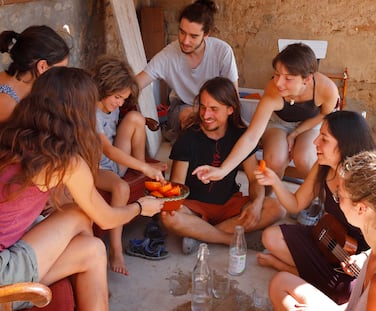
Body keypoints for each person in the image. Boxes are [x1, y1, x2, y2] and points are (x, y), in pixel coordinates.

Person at [0, 67, 163, 311]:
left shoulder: (12, 135)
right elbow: (106, 218)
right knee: (87, 231)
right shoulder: (64, 161)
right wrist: (140, 207)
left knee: (91, 243)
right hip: (4, 274)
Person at [253, 110, 376, 304]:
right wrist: (275, 181)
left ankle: (287, 268)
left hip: (354, 258)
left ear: (344, 144)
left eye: (324, 139)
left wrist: (364, 258)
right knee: (270, 236)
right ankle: (309, 275)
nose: (315, 143)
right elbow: (295, 204)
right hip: (326, 237)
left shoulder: (368, 180)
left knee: (345, 293)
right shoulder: (323, 166)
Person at [269, 150, 376, 310]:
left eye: (339, 197)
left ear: (360, 208)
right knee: (280, 282)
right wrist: (365, 256)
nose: (337, 202)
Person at [159, 77, 285, 255]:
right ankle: (228, 238)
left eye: (214, 109)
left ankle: (198, 234)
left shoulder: (241, 136)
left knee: (275, 208)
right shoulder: (187, 137)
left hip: (229, 204)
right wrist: (167, 197)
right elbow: (177, 186)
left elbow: (253, 178)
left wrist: (256, 202)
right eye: (203, 107)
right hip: (194, 206)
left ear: (230, 109)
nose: (206, 115)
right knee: (168, 217)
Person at [193, 42, 339, 184]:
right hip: (278, 123)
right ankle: (267, 199)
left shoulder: (327, 89)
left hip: (309, 124)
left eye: (288, 78)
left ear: (306, 79)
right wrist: (222, 170)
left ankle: (317, 201)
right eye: (276, 74)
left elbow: (324, 115)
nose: (279, 83)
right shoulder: (273, 89)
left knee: (306, 159)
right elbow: (251, 136)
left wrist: (295, 134)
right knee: (275, 160)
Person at [91, 55, 167, 275]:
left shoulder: (113, 104)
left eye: (123, 98)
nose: (120, 103)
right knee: (121, 187)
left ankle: (142, 166)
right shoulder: (90, 111)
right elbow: (108, 149)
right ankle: (116, 249)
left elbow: (117, 140)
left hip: (115, 162)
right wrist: (145, 168)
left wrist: (144, 167)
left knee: (135, 117)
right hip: (96, 167)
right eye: (117, 97)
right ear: (103, 87)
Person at [135, 0, 238, 141]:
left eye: (193, 36)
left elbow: (233, 96)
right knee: (192, 117)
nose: (185, 41)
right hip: (182, 106)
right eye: (182, 32)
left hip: (215, 108)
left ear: (206, 34)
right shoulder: (169, 55)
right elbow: (137, 82)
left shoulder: (222, 52)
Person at [0, 25, 69, 121]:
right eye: (60, 71)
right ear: (42, 66)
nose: (61, 76)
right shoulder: (5, 101)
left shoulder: (34, 85)